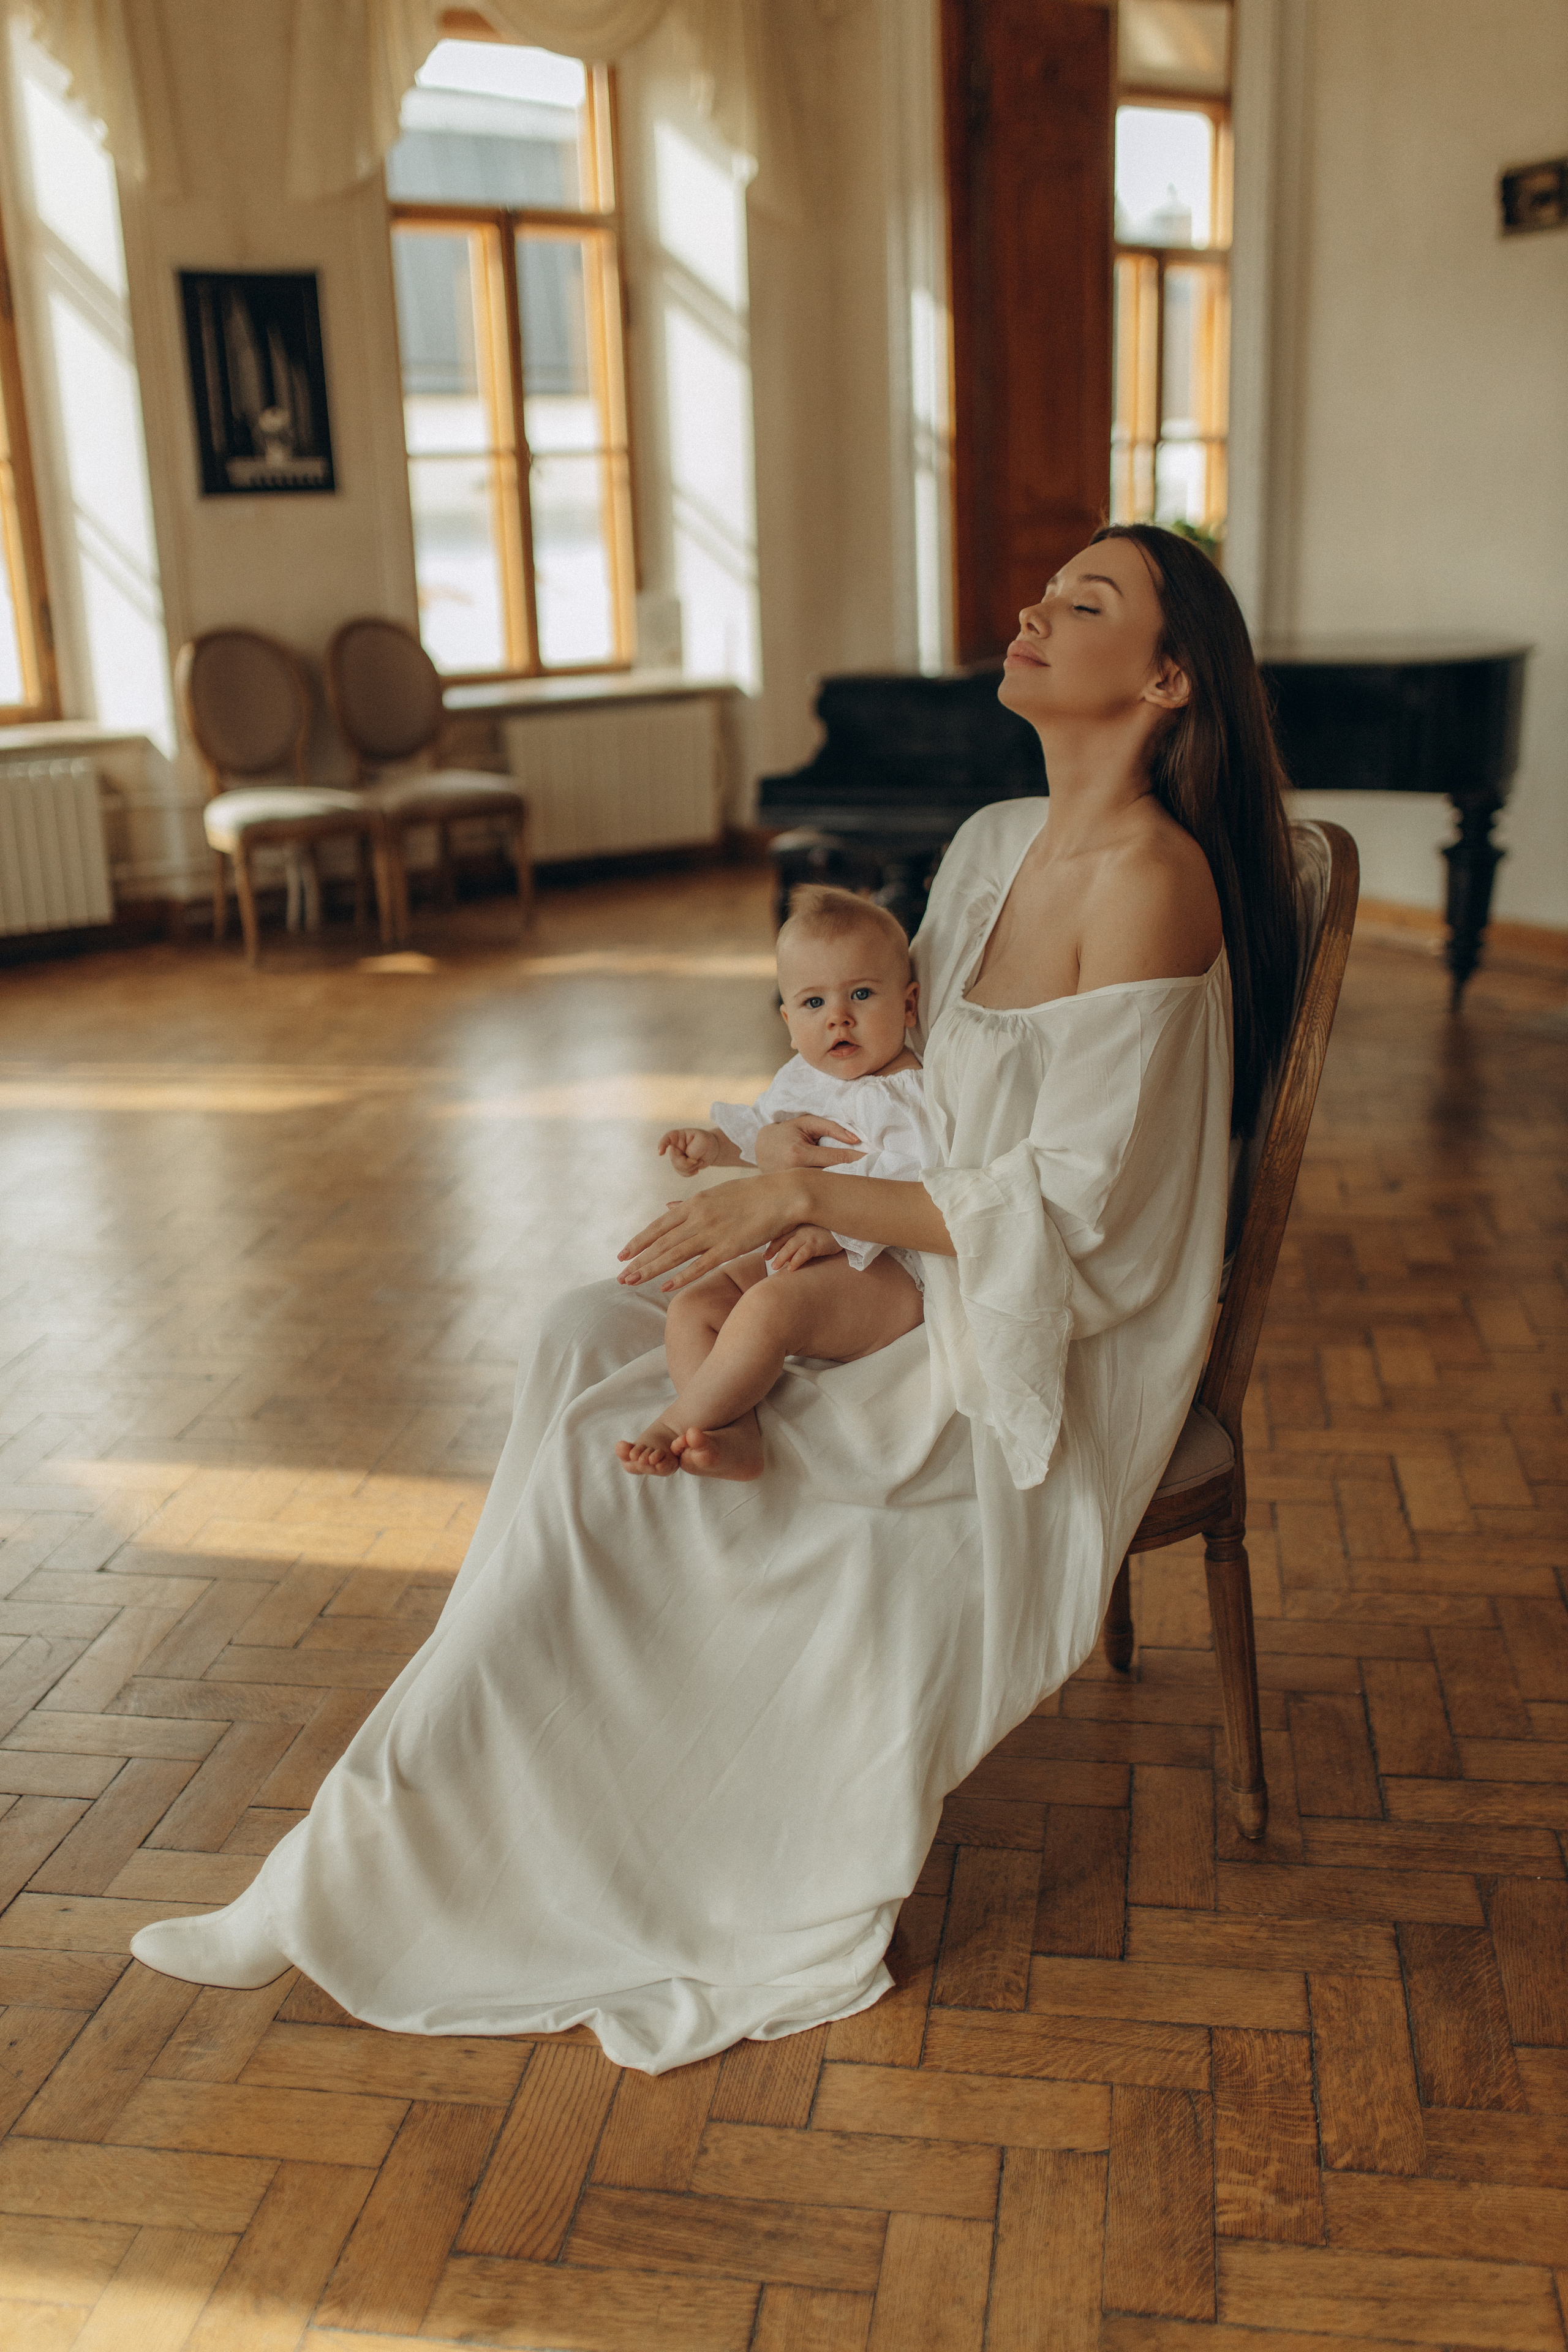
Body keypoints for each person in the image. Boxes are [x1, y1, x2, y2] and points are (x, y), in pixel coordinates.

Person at [129, 526, 1302, 2075]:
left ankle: (408, 1866)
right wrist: (780, 1150)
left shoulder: (1153, 886)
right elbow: (904, 1082)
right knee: (574, 1334)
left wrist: (806, 1205)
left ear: (1162, 680)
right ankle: (400, 1839)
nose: (1029, 607)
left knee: (609, 1482)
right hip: (904, 1262)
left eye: (1083, 602)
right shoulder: (990, 838)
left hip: (1027, 1338)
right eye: (1044, 585)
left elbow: (1084, 1218)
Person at [617, 886, 935, 1481]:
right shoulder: (801, 1079)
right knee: (694, 1308)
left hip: (888, 1271)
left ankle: (674, 1421)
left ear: (909, 1005)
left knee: (767, 1308)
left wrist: (836, 1235)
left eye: (861, 994)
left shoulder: (907, 1093)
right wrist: (717, 1148)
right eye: (813, 1003)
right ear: (789, 1022)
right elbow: (771, 1140)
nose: (838, 1016)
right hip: (797, 1249)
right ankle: (730, 1431)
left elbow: (916, 1178)